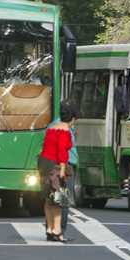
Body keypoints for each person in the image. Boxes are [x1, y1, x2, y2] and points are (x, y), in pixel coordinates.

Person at [38, 102, 78, 243]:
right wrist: (62, 170)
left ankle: (49, 229)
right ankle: (58, 232)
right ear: (72, 118)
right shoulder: (65, 130)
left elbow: (46, 146)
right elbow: (62, 152)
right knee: (60, 201)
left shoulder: (51, 128)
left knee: (49, 199)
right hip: (55, 166)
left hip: (44, 163)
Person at [61, 125, 78, 234]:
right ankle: (60, 230)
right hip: (65, 166)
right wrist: (63, 169)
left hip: (56, 166)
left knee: (52, 201)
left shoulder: (52, 126)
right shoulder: (65, 130)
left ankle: (52, 230)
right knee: (63, 200)